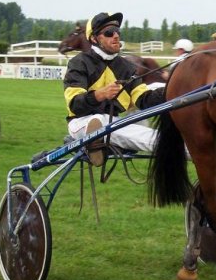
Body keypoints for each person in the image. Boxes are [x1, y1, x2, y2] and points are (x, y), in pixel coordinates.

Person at [63, 12, 165, 166]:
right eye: (109, 33)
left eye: (118, 32)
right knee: (97, 120)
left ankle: (96, 141)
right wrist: (99, 95)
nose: (116, 36)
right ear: (94, 38)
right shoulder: (78, 63)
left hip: (113, 123)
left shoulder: (127, 67)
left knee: (158, 139)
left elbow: (143, 99)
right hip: (79, 122)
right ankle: (94, 140)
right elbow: (75, 105)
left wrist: (171, 91)